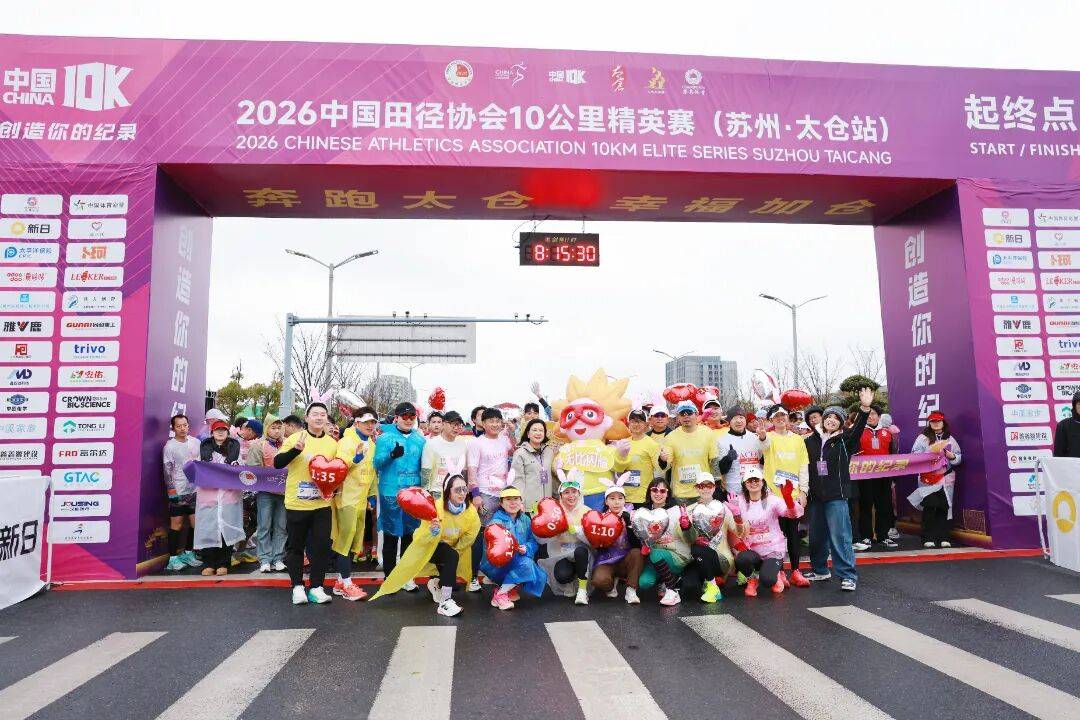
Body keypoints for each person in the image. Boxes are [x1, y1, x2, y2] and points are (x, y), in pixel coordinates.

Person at [371, 468, 480, 617]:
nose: (462, 493)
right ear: (447, 491)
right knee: (451, 557)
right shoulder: (436, 508)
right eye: (457, 490)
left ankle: (435, 584)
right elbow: (420, 537)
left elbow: (470, 535)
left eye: (464, 489)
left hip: (454, 548)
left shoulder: (471, 511)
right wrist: (432, 532)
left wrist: (455, 548)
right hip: (430, 548)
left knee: (451, 566)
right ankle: (445, 602)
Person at [803, 387, 874, 592]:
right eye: (828, 417)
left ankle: (848, 575)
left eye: (836, 418)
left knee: (840, 536)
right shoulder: (809, 441)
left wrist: (865, 408)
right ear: (822, 419)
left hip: (837, 496)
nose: (831, 420)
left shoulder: (845, 440)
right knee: (816, 536)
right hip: (815, 497)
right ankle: (820, 570)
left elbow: (858, 428)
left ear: (841, 423)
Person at [274, 402, 338, 605]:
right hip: (297, 504)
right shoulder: (295, 438)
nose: (319, 417)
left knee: (322, 547)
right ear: (307, 418)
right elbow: (277, 463)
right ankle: (297, 587)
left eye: (323, 414)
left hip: (322, 505)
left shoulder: (332, 443)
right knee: (296, 547)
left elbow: (337, 470)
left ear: (326, 418)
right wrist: (295, 450)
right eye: (315, 414)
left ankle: (317, 587)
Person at [373, 402, 427, 588]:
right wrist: (391, 455)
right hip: (391, 493)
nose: (408, 420)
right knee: (391, 535)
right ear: (396, 418)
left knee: (409, 535)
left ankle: (405, 577)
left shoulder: (420, 440)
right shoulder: (384, 438)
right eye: (405, 416)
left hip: (413, 493)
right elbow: (376, 463)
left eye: (412, 417)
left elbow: (424, 466)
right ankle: (389, 577)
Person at [758, 405, 811, 587]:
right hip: (774, 495)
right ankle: (780, 572)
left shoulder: (798, 440)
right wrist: (762, 435)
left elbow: (803, 466)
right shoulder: (768, 437)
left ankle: (795, 571)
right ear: (771, 420)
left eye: (783, 415)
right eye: (776, 416)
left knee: (793, 534)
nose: (780, 418)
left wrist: (804, 491)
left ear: (788, 417)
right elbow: (764, 445)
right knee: (777, 535)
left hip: (793, 495)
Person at [730, 465, 803, 597]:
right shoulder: (738, 501)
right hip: (752, 549)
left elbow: (792, 515)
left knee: (768, 580)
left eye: (756, 480)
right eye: (749, 480)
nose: (753, 483)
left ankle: (776, 573)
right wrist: (736, 517)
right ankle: (753, 578)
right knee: (741, 560)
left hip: (772, 550)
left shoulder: (773, 500)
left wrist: (788, 499)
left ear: (762, 482)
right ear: (744, 484)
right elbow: (733, 529)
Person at [331, 406, 379, 600]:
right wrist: (355, 458)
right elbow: (339, 468)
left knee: (354, 542)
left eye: (373, 422)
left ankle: (340, 582)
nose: (370, 425)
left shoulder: (372, 444)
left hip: (361, 500)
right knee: (345, 540)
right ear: (357, 422)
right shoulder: (346, 442)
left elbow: (372, 472)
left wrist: (372, 494)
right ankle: (347, 583)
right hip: (346, 498)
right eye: (366, 422)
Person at [466, 407, 514, 591]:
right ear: (483, 423)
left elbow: (514, 450)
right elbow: (472, 470)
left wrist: (511, 432)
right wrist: (476, 495)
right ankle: (473, 577)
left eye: (497, 421)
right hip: (485, 494)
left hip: (503, 495)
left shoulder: (504, 440)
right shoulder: (476, 443)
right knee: (480, 535)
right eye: (491, 421)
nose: (495, 424)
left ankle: (492, 574)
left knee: (499, 535)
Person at [480, 486, 547, 610]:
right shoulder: (496, 522)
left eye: (516, 498)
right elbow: (492, 550)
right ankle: (500, 595)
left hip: (517, 560)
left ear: (521, 501)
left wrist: (526, 548)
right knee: (527, 565)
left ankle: (509, 589)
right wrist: (514, 549)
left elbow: (532, 541)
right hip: (497, 565)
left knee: (538, 573)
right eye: (508, 499)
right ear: (501, 503)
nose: (513, 502)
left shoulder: (525, 519)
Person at [194, 420, 244, 575]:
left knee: (226, 530)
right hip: (208, 497)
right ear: (212, 433)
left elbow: (241, 471)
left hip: (228, 497)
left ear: (228, 432)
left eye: (223, 430)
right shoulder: (203, 450)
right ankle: (209, 563)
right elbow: (197, 469)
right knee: (208, 529)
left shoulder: (235, 450)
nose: (220, 432)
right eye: (217, 430)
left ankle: (223, 563)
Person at [682, 473, 739, 603]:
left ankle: (713, 587)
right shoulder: (689, 510)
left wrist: (737, 515)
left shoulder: (723, 508)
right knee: (690, 587)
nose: (705, 489)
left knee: (697, 548)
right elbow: (687, 540)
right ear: (696, 488)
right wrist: (685, 527)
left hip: (720, 558)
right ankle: (709, 582)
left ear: (714, 487)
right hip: (697, 559)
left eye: (709, 485)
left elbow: (739, 532)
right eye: (702, 486)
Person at [635, 477, 691, 606]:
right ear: (649, 492)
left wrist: (686, 526)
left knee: (656, 554)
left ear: (667, 494)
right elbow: (642, 537)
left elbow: (691, 538)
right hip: (655, 558)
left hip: (676, 555)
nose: (658, 493)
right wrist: (644, 545)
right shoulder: (644, 513)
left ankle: (672, 591)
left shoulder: (677, 511)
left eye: (662, 491)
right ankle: (667, 580)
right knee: (644, 583)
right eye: (654, 490)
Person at [538, 473, 593, 605]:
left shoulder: (587, 511)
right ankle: (571, 580)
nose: (571, 495)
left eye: (574, 492)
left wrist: (578, 531)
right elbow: (542, 540)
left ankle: (582, 590)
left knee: (580, 552)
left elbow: (592, 540)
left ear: (579, 494)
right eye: (566, 492)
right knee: (562, 576)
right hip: (561, 553)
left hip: (582, 554)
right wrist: (551, 531)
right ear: (561, 495)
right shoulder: (554, 512)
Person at [910, 411, 962, 548]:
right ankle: (928, 537)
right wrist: (929, 454)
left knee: (944, 507)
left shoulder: (950, 438)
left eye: (938, 421)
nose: (936, 423)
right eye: (933, 421)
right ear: (929, 423)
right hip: (928, 478)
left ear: (943, 422)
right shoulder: (922, 438)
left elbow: (959, 457)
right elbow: (914, 455)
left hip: (945, 477)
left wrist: (952, 456)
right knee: (930, 506)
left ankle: (944, 536)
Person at [590, 479, 643, 603]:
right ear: (606, 501)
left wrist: (629, 525)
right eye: (612, 498)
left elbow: (638, 544)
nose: (616, 502)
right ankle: (610, 586)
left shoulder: (633, 516)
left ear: (625, 500)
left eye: (620, 498)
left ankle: (631, 590)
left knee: (637, 553)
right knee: (599, 581)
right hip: (607, 559)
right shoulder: (600, 518)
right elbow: (597, 546)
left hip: (626, 559)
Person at [162, 414, 203, 571]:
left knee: (195, 523)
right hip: (178, 491)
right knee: (176, 525)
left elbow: (200, 464)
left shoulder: (196, 442)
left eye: (184, 425)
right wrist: (171, 491)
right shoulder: (169, 446)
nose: (182, 428)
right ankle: (172, 559)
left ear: (188, 425)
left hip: (195, 490)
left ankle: (188, 553)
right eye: (178, 426)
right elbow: (167, 471)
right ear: (173, 428)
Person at [246, 416, 287, 573]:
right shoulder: (258, 445)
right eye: (273, 428)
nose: (276, 431)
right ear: (266, 428)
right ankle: (264, 559)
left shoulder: (287, 443)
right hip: (265, 492)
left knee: (281, 526)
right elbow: (252, 469)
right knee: (264, 525)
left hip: (284, 492)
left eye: (279, 428)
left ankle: (278, 558)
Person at [660, 401, 720, 504]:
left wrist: (716, 487)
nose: (686, 416)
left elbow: (714, 461)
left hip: (703, 491)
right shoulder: (670, 437)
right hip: (680, 494)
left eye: (689, 413)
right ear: (678, 417)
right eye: (682, 414)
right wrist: (662, 460)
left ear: (696, 414)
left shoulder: (707, 433)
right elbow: (665, 466)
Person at [856, 405, 898, 550]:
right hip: (863, 476)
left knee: (884, 505)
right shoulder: (858, 432)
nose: (871, 416)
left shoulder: (888, 433)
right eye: (868, 414)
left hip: (883, 476)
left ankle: (883, 536)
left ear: (879, 416)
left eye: (874, 414)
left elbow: (893, 454)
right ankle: (866, 536)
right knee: (865, 506)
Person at [614, 409, 665, 508]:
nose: (636, 424)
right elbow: (617, 469)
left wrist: (662, 460)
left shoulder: (652, 444)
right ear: (628, 424)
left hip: (643, 497)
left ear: (646, 424)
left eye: (640, 421)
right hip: (624, 497)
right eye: (633, 421)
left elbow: (659, 469)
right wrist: (621, 455)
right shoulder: (623, 443)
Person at [421, 410, 470, 498]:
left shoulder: (463, 443)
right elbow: (426, 472)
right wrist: (426, 493)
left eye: (458, 425)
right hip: (438, 492)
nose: (456, 428)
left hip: (458, 492)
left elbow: (465, 471)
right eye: (453, 424)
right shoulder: (431, 444)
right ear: (443, 424)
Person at [510, 418, 555, 512]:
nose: (538, 433)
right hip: (529, 505)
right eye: (534, 430)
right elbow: (517, 479)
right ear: (528, 434)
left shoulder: (549, 451)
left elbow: (553, 476)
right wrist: (519, 502)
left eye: (541, 430)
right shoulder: (520, 453)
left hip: (547, 505)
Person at [717, 406, 762, 499]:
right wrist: (728, 459)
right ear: (729, 421)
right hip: (734, 491)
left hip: (754, 488)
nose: (738, 421)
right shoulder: (722, 441)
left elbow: (762, 461)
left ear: (745, 420)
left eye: (741, 417)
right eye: (734, 418)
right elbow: (721, 470)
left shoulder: (755, 438)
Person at [1053, 390, 1080, 457]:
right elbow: (1058, 454)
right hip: (1071, 463)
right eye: (1079, 404)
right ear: (1074, 406)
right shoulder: (1063, 425)